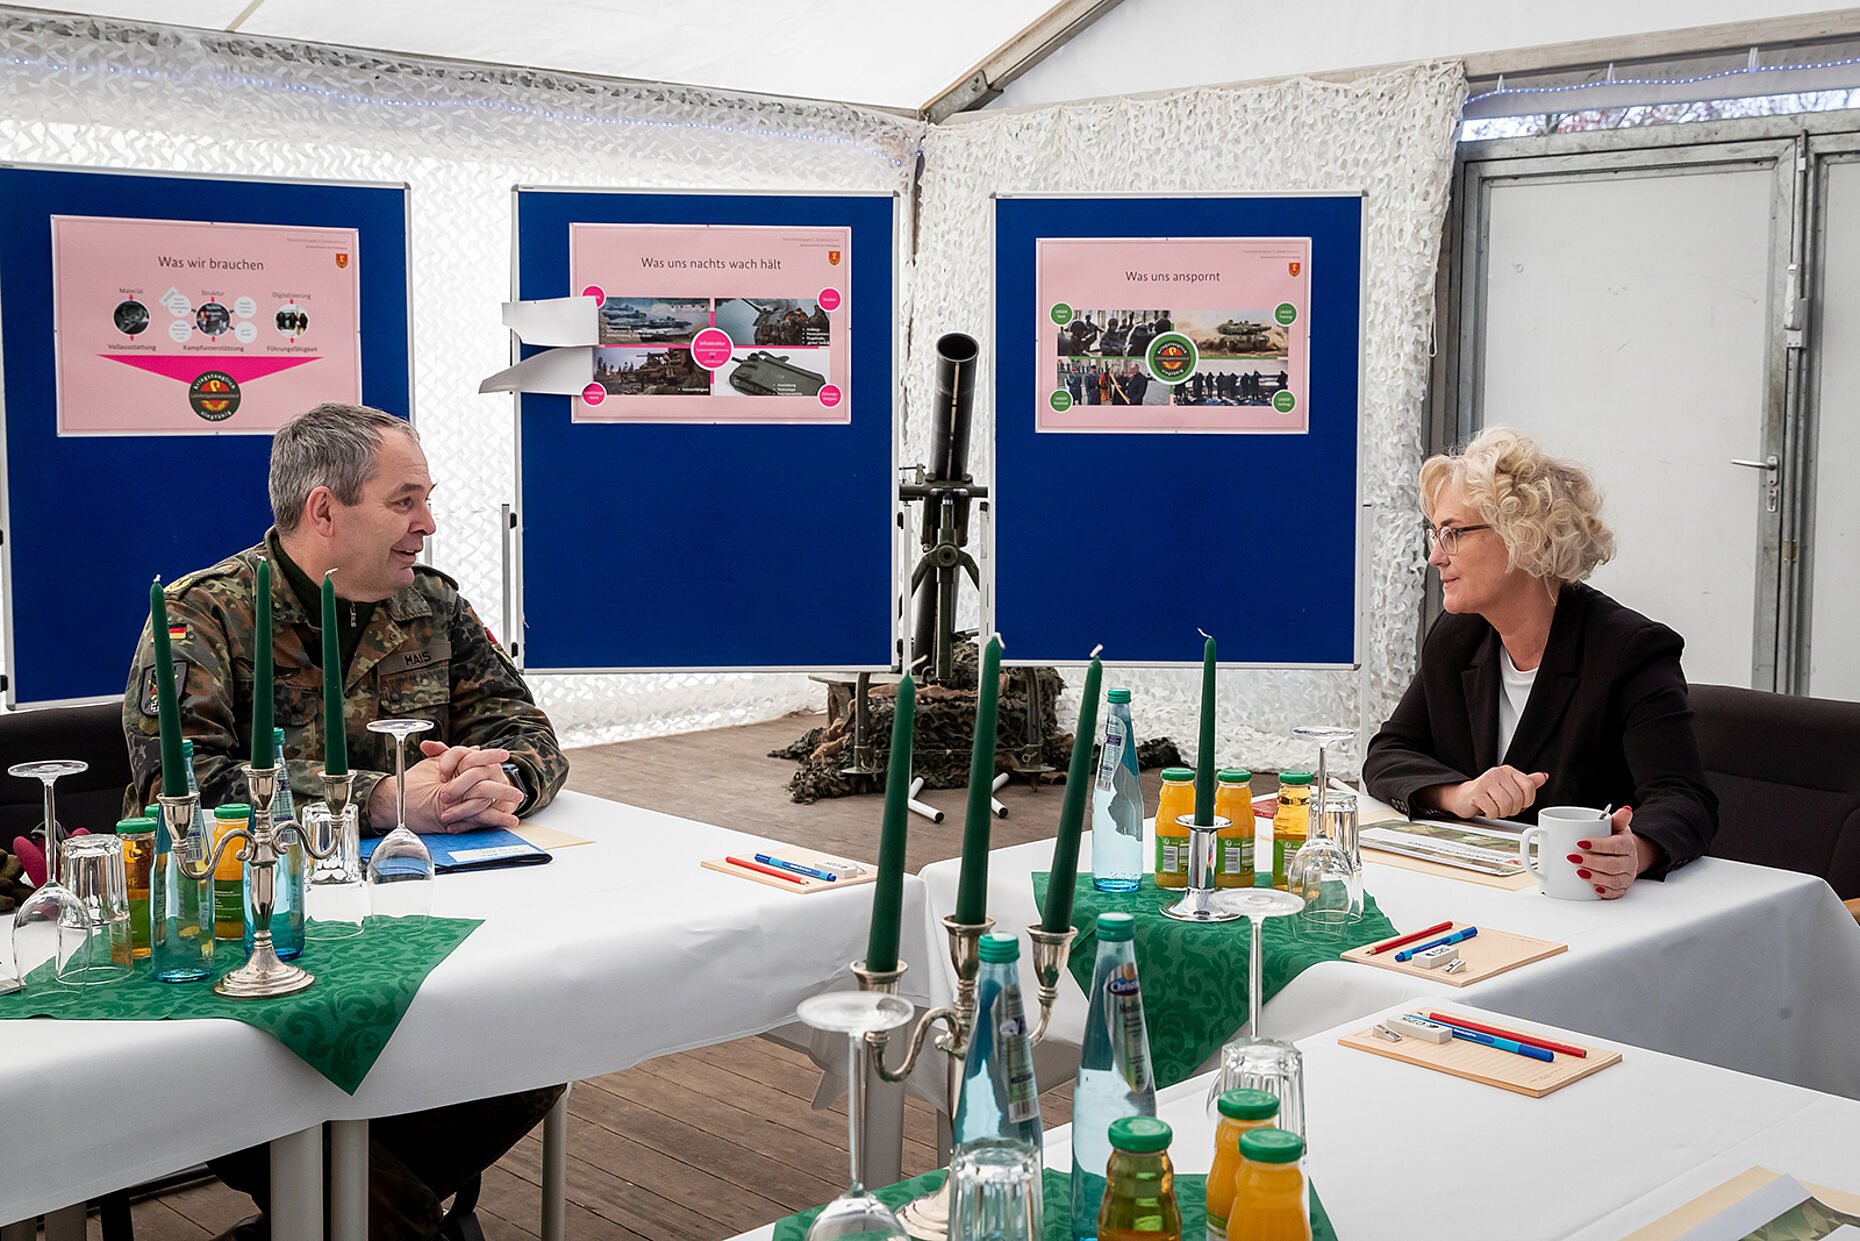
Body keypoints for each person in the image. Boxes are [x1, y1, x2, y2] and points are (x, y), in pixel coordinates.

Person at [122, 402, 569, 1241]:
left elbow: (528, 730)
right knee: (371, 1198)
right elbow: (179, 788)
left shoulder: (433, 604)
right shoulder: (203, 616)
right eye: (405, 501)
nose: (427, 524)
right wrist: (381, 798)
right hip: (243, 957)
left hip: (420, 934)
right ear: (325, 509)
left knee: (542, 1043)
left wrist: (494, 779)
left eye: (426, 500)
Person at [1363, 426, 1716, 898]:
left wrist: (1637, 849)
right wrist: (1462, 794)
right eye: (1435, 534)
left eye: (1453, 534)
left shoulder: (1628, 649)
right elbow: (1388, 753)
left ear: (1521, 538)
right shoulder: (1457, 637)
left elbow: (1685, 797)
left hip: (1587, 901)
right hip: (1481, 890)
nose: (1435, 557)